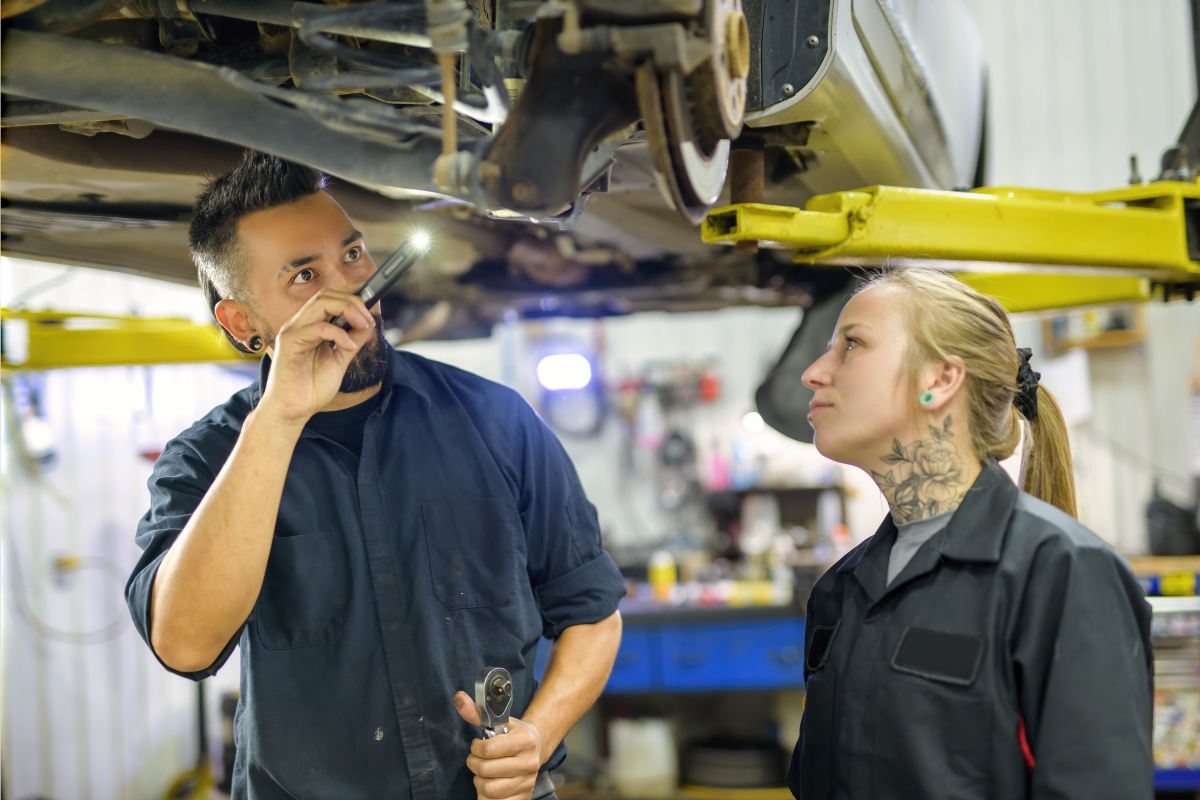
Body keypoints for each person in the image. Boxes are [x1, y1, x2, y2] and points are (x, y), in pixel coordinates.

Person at [124, 152, 626, 800]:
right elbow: (185, 644)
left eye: (353, 256)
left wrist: (537, 732)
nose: (350, 289)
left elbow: (593, 612)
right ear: (243, 322)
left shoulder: (495, 419)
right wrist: (278, 419)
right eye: (305, 275)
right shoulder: (206, 459)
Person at [789, 267, 1153, 799]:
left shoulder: (1062, 574)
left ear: (938, 380)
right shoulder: (841, 590)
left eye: (852, 345)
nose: (815, 373)